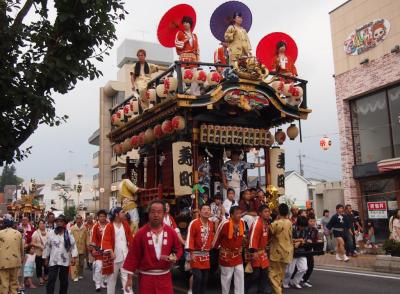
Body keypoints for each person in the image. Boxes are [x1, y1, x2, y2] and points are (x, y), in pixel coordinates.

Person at [123, 200, 183, 294]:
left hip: (165, 278)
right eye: (153, 212)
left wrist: (174, 256)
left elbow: (178, 248)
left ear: (164, 214)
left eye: (159, 212)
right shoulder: (140, 233)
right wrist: (129, 278)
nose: (156, 215)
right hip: (146, 279)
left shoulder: (171, 232)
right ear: (148, 213)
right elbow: (133, 256)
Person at [213, 206, 245, 294]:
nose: (239, 215)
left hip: (238, 255)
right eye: (237, 214)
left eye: (240, 213)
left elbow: (242, 237)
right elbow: (216, 238)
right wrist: (217, 248)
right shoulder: (224, 223)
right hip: (226, 255)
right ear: (231, 215)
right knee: (226, 278)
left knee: (240, 275)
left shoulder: (242, 222)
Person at [101, 207, 134, 294]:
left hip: (125, 255)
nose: (124, 214)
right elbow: (105, 241)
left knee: (126, 278)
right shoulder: (109, 226)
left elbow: (130, 238)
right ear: (116, 214)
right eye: (122, 212)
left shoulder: (126, 224)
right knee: (111, 280)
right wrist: (111, 252)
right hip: (113, 258)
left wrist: (133, 251)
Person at [44, 214, 78, 294]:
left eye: (61, 221)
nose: (59, 223)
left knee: (64, 281)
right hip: (53, 260)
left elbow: (73, 245)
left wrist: (73, 257)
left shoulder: (68, 234)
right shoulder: (51, 233)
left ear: (64, 223)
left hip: (65, 261)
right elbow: (47, 246)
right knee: (51, 279)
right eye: (57, 221)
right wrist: (45, 258)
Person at [185, 204, 215, 294]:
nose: (206, 211)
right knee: (198, 277)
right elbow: (190, 237)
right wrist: (191, 253)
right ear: (200, 212)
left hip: (205, 255)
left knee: (205, 279)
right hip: (195, 254)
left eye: (208, 209)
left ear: (210, 212)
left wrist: (213, 244)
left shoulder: (211, 223)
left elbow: (210, 237)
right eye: (204, 209)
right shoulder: (194, 223)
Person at [268, 203, 293, 294]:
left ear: (278, 211)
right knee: (280, 274)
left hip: (277, 252)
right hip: (287, 252)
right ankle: (276, 291)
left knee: (273, 274)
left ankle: (278, 292)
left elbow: (269, 234)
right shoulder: (290, 222)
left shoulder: (275, 223)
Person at [247, 204, 271, 294]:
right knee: (255, 275)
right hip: (256, 251)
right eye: (265, 212)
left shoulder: (266, 223)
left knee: (264, 273)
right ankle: (244, 288)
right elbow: (253, 238)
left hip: (262, 251)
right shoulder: (257, 223)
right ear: (260, 213)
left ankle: (261, 290)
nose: (268, 213)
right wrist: (254, 251)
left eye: (268, 211)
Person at [0, 215, 24, 294]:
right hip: (15, 261)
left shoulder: (0, 233)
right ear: (12, 223)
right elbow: (21, 248)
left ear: (4, 223)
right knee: (14, 283)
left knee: (4, 283)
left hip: (3, 262)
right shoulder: (18, 233)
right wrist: (22, 258)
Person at [283, 216, 308, 289]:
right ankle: (285, 282)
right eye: (302, 227)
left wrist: (300, 241)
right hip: (292, 251)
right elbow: (288, 239)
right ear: (298, 225)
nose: (303, 228)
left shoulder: (305, 229)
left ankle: (295, 281)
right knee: (289, 271)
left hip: (302, 251)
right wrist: (299, 240)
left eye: (304, 227)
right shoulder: (291, 228)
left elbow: (305, 239)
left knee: (304, 268)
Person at [302, 214, 322, 288]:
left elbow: (316, 239)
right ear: (307, 221)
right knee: (302, 267)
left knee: (310, 265)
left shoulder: (315, 230)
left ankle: (305, 279)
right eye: (311, 221)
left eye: (314, 221)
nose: (312, 222)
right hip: (302, 250)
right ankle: (302, 279)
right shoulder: (304, 229)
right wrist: (306, 240)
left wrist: (318, 240)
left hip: (310, 250)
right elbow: (302, 238)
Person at [90, 209, 108, 292]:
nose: (102, 218)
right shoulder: (95, 226)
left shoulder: (109, 225)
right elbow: (93, 238)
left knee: (105, 267)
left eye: (104, 216)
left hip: (107, 249)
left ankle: (101, 281)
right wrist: (93, 249)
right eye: (100, 216)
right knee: (99, 266)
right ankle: (97, 283)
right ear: (98, 217)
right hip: (98, 249)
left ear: (106, 217)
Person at [70, 215, 89, 282]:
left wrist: (88, 245)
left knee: (81, 262)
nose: (78, 220)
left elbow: (87, 238)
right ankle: (74, 276)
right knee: (75, 262)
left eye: (79, 219)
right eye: (77, 219)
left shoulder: (84, 228)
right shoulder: (72, 228)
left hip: (82, 247)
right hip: (75, 248)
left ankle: (80, 274)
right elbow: (70, 238)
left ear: (81, 220)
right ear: (75, 220)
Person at [31, 219, 49, 285]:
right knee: (39, 266)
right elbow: (32, 243)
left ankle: (46, 275)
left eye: (43, 223)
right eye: (41, 223)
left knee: (46, 265)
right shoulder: (35, 233)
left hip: (47, 253)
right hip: (38, 253)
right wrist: (39, 245)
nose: (42, 225)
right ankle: (40, 278)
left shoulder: (48, 232)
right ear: (38, 225)